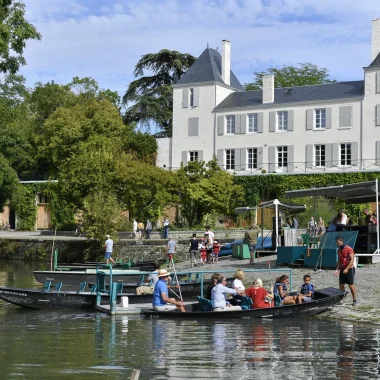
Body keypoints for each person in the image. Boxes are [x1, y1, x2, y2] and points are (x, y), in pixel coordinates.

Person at [335, 236, 357, 306]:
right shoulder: (339, 250)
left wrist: (347, 269)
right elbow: (339, 260)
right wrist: (337, 269)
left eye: (337, 242)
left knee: (350, 285)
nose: (336, 243)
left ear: (341, 242)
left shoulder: (349, 249)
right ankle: (341, 299)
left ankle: (354, 299)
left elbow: (352, 259)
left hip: (350, 268)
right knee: (341, 285)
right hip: (342, 268)